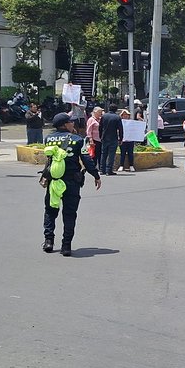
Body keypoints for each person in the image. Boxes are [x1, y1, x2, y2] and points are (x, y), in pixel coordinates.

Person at [40, 113, 101, 256]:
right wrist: (96, 175)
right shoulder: (78, 140)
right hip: (71, 181)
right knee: (69, 213)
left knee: (50, 211)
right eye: (71, 122)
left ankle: (49, 241)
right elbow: (86, 159)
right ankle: (66, 246)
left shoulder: (48, 139)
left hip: (54, 181)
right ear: (65, 124)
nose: (73, 124)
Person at [98, 104, 122, 175]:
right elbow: (120, 129)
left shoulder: (104, 116)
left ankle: (102, 170)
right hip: (113, 137)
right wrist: (121, 138)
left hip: (104, 137)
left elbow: (100, 127)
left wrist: (100, 136)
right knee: (111, 154)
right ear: (116, 110)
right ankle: (109, 170)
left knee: (103, 154)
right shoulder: (117, 117)